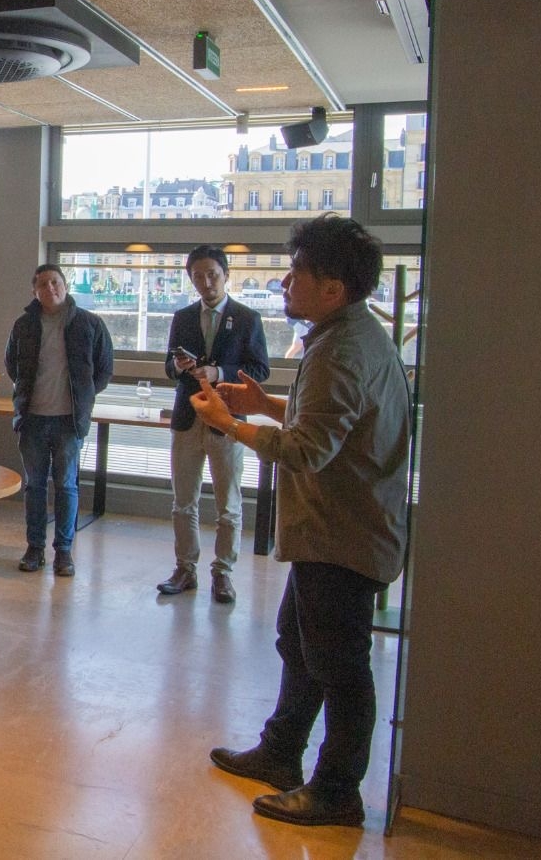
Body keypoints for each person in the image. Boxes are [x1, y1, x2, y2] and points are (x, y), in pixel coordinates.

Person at [194, 214, 411, 828]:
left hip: (344, 536)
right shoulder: (352, 333)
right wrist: (265, 403)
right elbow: (336, 417)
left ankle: (337, 791)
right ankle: (281, 749)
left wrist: (232, 425)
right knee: (298, 642)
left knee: (340, 667)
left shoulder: (340, 349)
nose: (285, 283)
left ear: (333, 288)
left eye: (296, 273)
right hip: (335, 532)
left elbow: (307, 449)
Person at [158, 245, 270, 602]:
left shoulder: (247, 318)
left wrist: (219, 372)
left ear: (226, 275)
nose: (206, 283)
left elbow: (260, 370)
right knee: (183, 501)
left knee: (228, 504)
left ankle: (223, 572)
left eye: (212, 275)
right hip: (188, 417)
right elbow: (168, 366)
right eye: (198, 276)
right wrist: (178, 367)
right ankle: (185, 567)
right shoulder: (183, 317)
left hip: (228, 420)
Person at [4, 265, 115, 577]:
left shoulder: (89, 323)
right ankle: (34, 548)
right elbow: (12, 365)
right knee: (35, 486)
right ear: (35, 291)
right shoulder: (24, 325)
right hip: (32, 420)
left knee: (66, 486)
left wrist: (83, 395)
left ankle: (64, 551)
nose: (49, 288)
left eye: (55, 282)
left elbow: (104, 369)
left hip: (69, 421)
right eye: (42, 284)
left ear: (65, 286)